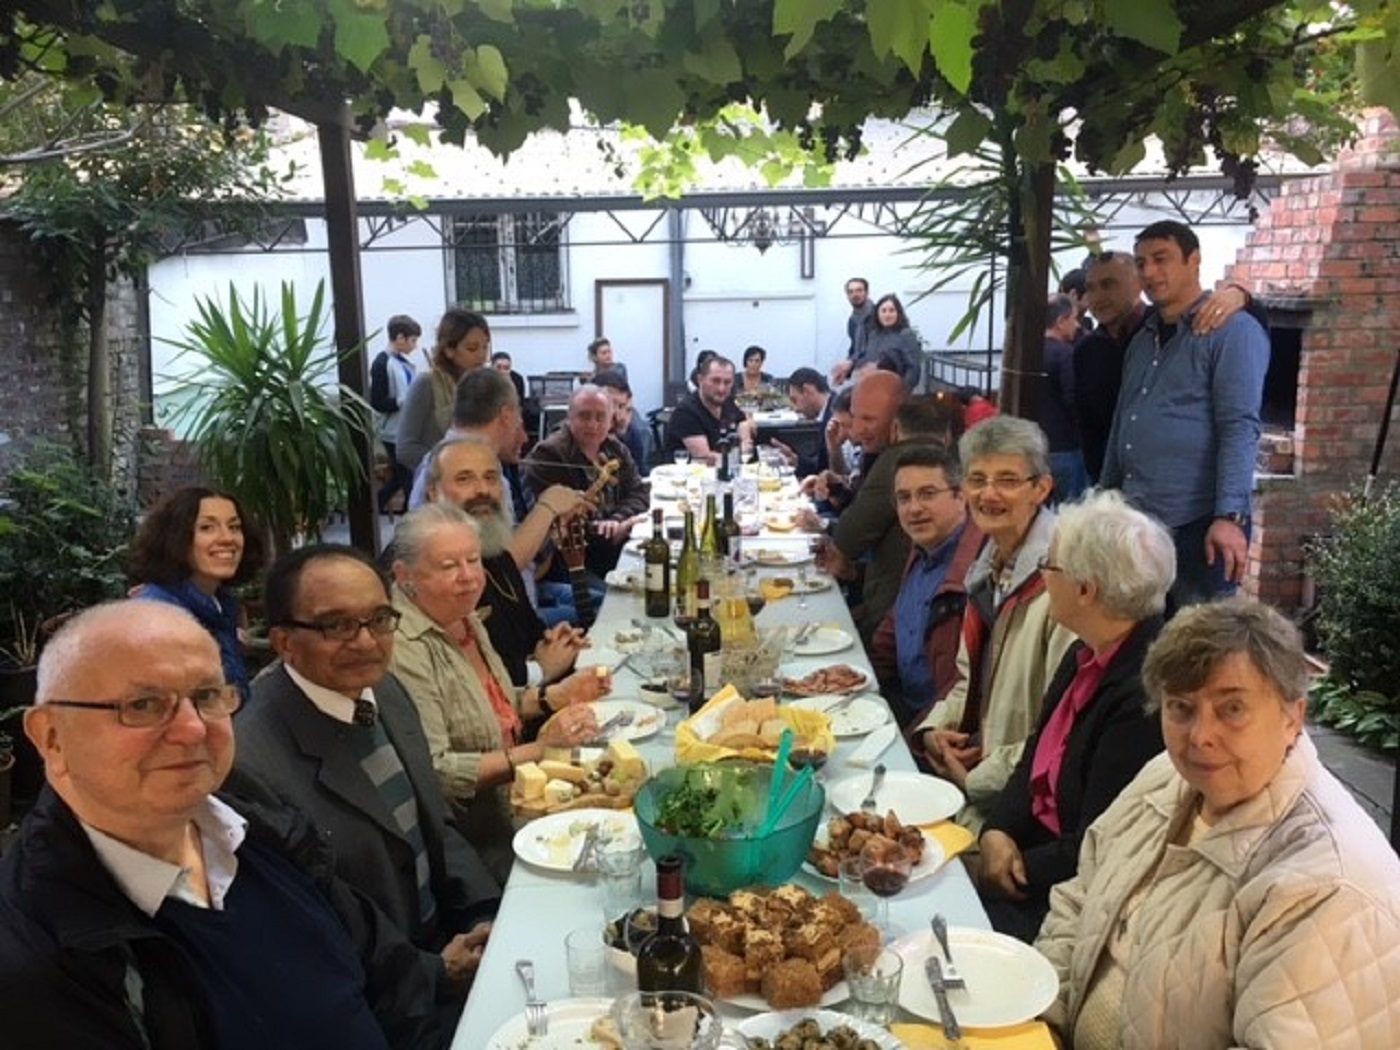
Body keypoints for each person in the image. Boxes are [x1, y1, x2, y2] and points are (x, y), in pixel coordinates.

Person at [0, 601, 452, 1048]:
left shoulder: (260, 827)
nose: (193, 729)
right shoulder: (37, 960)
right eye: (143, 704)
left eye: (206, 696)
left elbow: (393, 981)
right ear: (51, 737)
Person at [1035, 599, 1400, 1048]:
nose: (1201, 736)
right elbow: (1077, 899)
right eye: (1181, 707)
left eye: (1232, 709)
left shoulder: (1328, 884)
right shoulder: (1165, 777)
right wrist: (1044, 1019)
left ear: (1293, 717)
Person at [235, 545, 501, 981]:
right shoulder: (252, 763)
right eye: (337, 625)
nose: (365, 641)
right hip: (384, 991)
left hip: (447, 943)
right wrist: (437, 972)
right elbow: (312, 934)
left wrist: (485, 917)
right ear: (284, 643)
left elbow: (437, 826)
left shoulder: (385, 690)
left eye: (379, 619)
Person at [976, 490, 1172, 942]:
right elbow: (1034, 758)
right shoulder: (1086, 651)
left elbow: (1098, 841)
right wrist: (997, 830)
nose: (1041, 575)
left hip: (1070, 900)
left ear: (1085, 590)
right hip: (1030, 855)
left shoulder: (1143, 696)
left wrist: (1012, 866)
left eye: (1048, 564)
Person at [389, 504, 607, 879]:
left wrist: (556, 694)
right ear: (404, 575)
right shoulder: (402, 647)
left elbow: (491, 706)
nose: (468, 577)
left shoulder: (463, 615)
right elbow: (437, 772)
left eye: (473, 561)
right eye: (448, 566)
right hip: (475, 840)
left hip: (519, 800)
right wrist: (540, 749)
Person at [911, 416, 1076, 833]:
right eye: (977, 479)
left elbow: (1061, 727)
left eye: (1007, 480)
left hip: (1023, 809)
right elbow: (968, 682)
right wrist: (935, 731)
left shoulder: (1063, 579)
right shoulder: (987, 568)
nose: (988, 494)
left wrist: (977, 780)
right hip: (979, 781)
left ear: (1041, 488)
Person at [1098, 222, 1268, 608]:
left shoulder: (1232, 331)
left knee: (1195, 638)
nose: (1150, 272)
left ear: (1194, 260)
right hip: (1137, 524)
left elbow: (1239, 426)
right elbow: (1124, 420)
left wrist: (1230, 517)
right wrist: (1104, 497)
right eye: (1141, 263)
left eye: (1162, 259)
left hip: (1197, 524)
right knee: (1140, 635)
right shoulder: (1143, 340)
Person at [1074, 248, 1255, 483]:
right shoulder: (1087, 350)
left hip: (1181, 484)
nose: (1098, 297)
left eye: (1109, 285)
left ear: (1138, 284)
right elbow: (1087, 427)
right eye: (1090, 288)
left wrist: (1241, 296)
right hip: (1116, 483)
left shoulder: (1174, 329)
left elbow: (1250, 322)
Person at [424, 435, 586, 687]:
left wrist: (554, 642)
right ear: (433, 492)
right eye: (464, 479)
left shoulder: (496, 552)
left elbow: (532, 629)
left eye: (491, 478)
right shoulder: (425, 566)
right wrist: (539, 669)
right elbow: (458, 675)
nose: (482, 490)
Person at [868, 445, 983, 727]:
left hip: (938, 726)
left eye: (928, 494)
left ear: (961, 497)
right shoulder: (922, 551)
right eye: (903, 498)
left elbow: (967, 686)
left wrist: (914, 735)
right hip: (899, 705)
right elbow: (894, 630)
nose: (914, 508)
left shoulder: (977, 570)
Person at [129, 486, 265, 701]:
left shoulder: (221, 604)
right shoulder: (159, 616)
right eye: (207, 527)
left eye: (234, 527)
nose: (227, 538)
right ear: (176, 537)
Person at [524, 384, 651, 580]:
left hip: (612, 546)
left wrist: (617, 519)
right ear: (569, 416)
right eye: (584, 416)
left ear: (610, 420)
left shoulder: (615, 448)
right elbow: (559, 524)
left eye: (600, 417)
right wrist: (610, 531)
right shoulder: (550, 454)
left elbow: (640, 491)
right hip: (571, 560)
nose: (593, 425)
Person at [396, 308, 491, 474]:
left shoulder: (483, 386)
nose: (482, 356)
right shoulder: (426, 384)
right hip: (438, 484)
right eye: (472, 348)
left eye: (485, 347)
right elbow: (405, 449)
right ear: (449, 349)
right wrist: (453, 465)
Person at [369, 313, 423, 514]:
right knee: (407, 476)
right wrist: (404, 401)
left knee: (403, 476)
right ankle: (411, 517)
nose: (415, 346)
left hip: (405, 428)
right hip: (392, 431)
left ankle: (375, 506)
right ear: (400, 338)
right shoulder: (382, 363)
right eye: (413, 340)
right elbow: (377, 401)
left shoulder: (401, 362)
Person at [663, 353, 751, 465]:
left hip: (726, 471)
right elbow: (705, 459)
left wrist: (745, 439)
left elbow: (742, 421)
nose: (721, 388)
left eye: (727, 382)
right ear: (700, 380)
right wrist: (741, 452)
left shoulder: (727, 401)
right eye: (715, 381)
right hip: (691, 474)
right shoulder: (686, 412)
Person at [1040, 294, 1086, 503]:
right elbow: (1073, 399)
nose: (1077, 325)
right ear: (1060, 321)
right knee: (1069, 509)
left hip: (1036, 447)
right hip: (1065, 447)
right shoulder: (1066, 354)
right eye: (1073, 319)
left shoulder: (1028, 353)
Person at [852, 293, 922, 390]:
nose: (887, 315)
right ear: (877, 313)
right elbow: (867, 358)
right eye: (883, 311)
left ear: (898, 313)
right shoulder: (874, 334)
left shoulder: (905, 334)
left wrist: (901, 390)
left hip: (894, 390)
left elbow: (913, 369)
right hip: (871, 387)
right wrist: (853, 365)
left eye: (891, 310)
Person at [593, 369, 653, 476]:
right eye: (613, 406)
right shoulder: (575, 439)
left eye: (627, 409)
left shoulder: (631, 435)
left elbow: (639, 475)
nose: (621, 417)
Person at [830, 276, 874, 387]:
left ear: (867, 293)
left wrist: (851, 363)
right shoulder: (852, 321)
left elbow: (875, 347)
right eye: (851, 292)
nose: (855, 294)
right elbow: (854, 349)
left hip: (878, 371)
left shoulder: (878, 315)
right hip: (860, 371)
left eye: (859, 290)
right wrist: (845, 371)